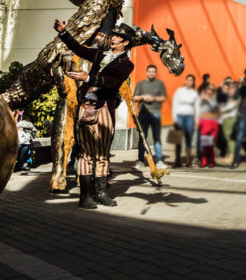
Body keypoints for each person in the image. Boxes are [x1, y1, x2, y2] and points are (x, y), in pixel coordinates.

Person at [54, 19, 135, 209]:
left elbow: (111, 82)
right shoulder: (101, 54)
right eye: (114, 35)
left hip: (105, 108)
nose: (113, 38)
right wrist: (64, 33)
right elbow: (80, 49)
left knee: (103, 153)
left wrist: (88, 78)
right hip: (87, 108)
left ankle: (101, 193)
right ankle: (85, 196)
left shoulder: (126, 64)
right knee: (86, 154)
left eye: (118, 37)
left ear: (126, 43)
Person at [132, 64, 167, 170]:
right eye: (150, 71)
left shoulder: (159, 84)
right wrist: (143, 97)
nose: (151, 73)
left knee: (157, 137)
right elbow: (134, 98)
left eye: (153, 71)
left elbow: (163, 97)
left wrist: (153, 98)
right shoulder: (140, 84)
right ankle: (140, 160)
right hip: (143, 113)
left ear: (155, 73)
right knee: (142, 137)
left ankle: (159, 160)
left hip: (155, 112)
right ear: (146, 72)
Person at [172, 74, 198, 167]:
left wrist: (196, 120)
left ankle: (188, 161)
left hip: (190, 117)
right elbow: (175, 104)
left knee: (188, 140)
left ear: (193, 82)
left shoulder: (194, 93)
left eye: (191, 80)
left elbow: (196, 108)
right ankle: (177, 161)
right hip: (179, 117)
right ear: (185, 81)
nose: (189, 82)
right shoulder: (179, 91)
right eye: (187, 80)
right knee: (178, 139)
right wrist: (174, 118)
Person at [195, 82, 220, 168]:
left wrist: (208, 100)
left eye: (212, 89)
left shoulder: (214, 98)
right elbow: (198, 109)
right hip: (204, 122)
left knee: (211, 144)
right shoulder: (201, 98)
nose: (210, 91)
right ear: (206, 90)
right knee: (205, 144)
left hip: (212, 123)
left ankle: (212, 161)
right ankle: (204, 161)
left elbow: (215, 108)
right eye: (208, 89)